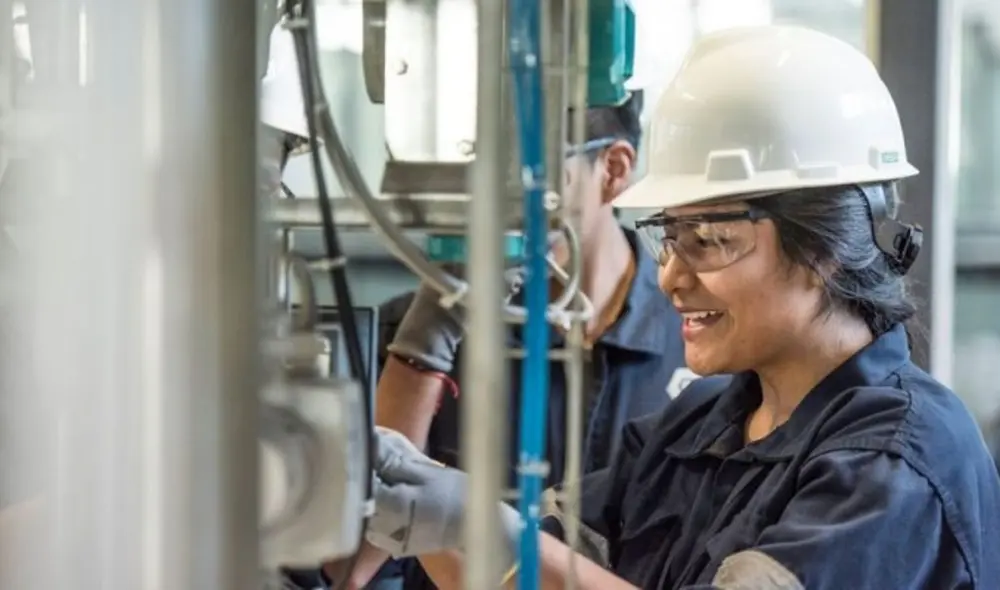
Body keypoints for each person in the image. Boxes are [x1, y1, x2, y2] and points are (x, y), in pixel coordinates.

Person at [360, 25, 1000, 589]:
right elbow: (530, 566)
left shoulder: (893, 463)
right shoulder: (700, 424)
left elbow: (520, 560)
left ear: (825, 248)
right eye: (668, 238)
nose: (670, 278)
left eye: (711, 240)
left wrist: (483, 532)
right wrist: (411, 493)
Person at [313, 82, 692, 589]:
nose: (501, 201)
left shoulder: (700, 343)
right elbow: (346, 567)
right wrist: (424, 348)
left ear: (614, 170)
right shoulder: (408, 335)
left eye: (529, 173)